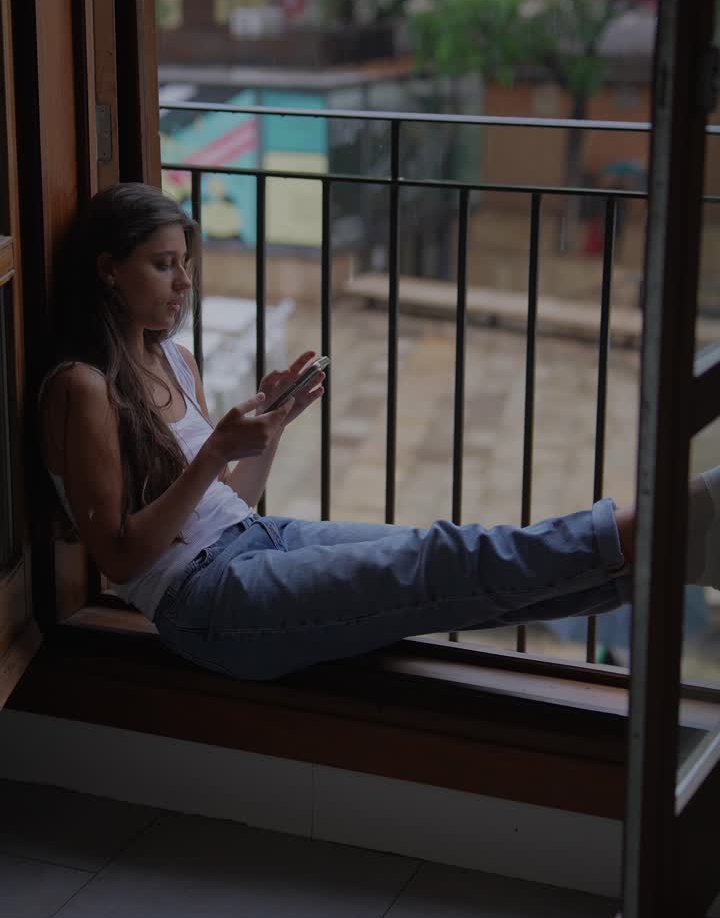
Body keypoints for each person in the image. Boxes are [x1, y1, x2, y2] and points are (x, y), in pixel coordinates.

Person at [39, 183, 720, 682]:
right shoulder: (82, 387)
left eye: (185, 263)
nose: (184, 282)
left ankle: (656, 556)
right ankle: (652, 532)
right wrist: (216, 447)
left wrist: (271, 429)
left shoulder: (175, 361)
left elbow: (228, 503)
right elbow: (122, 559)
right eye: (164, 264)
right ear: (108, 269)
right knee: (439, 566)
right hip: (206, 604)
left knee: (442, 560)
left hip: (257, 538)